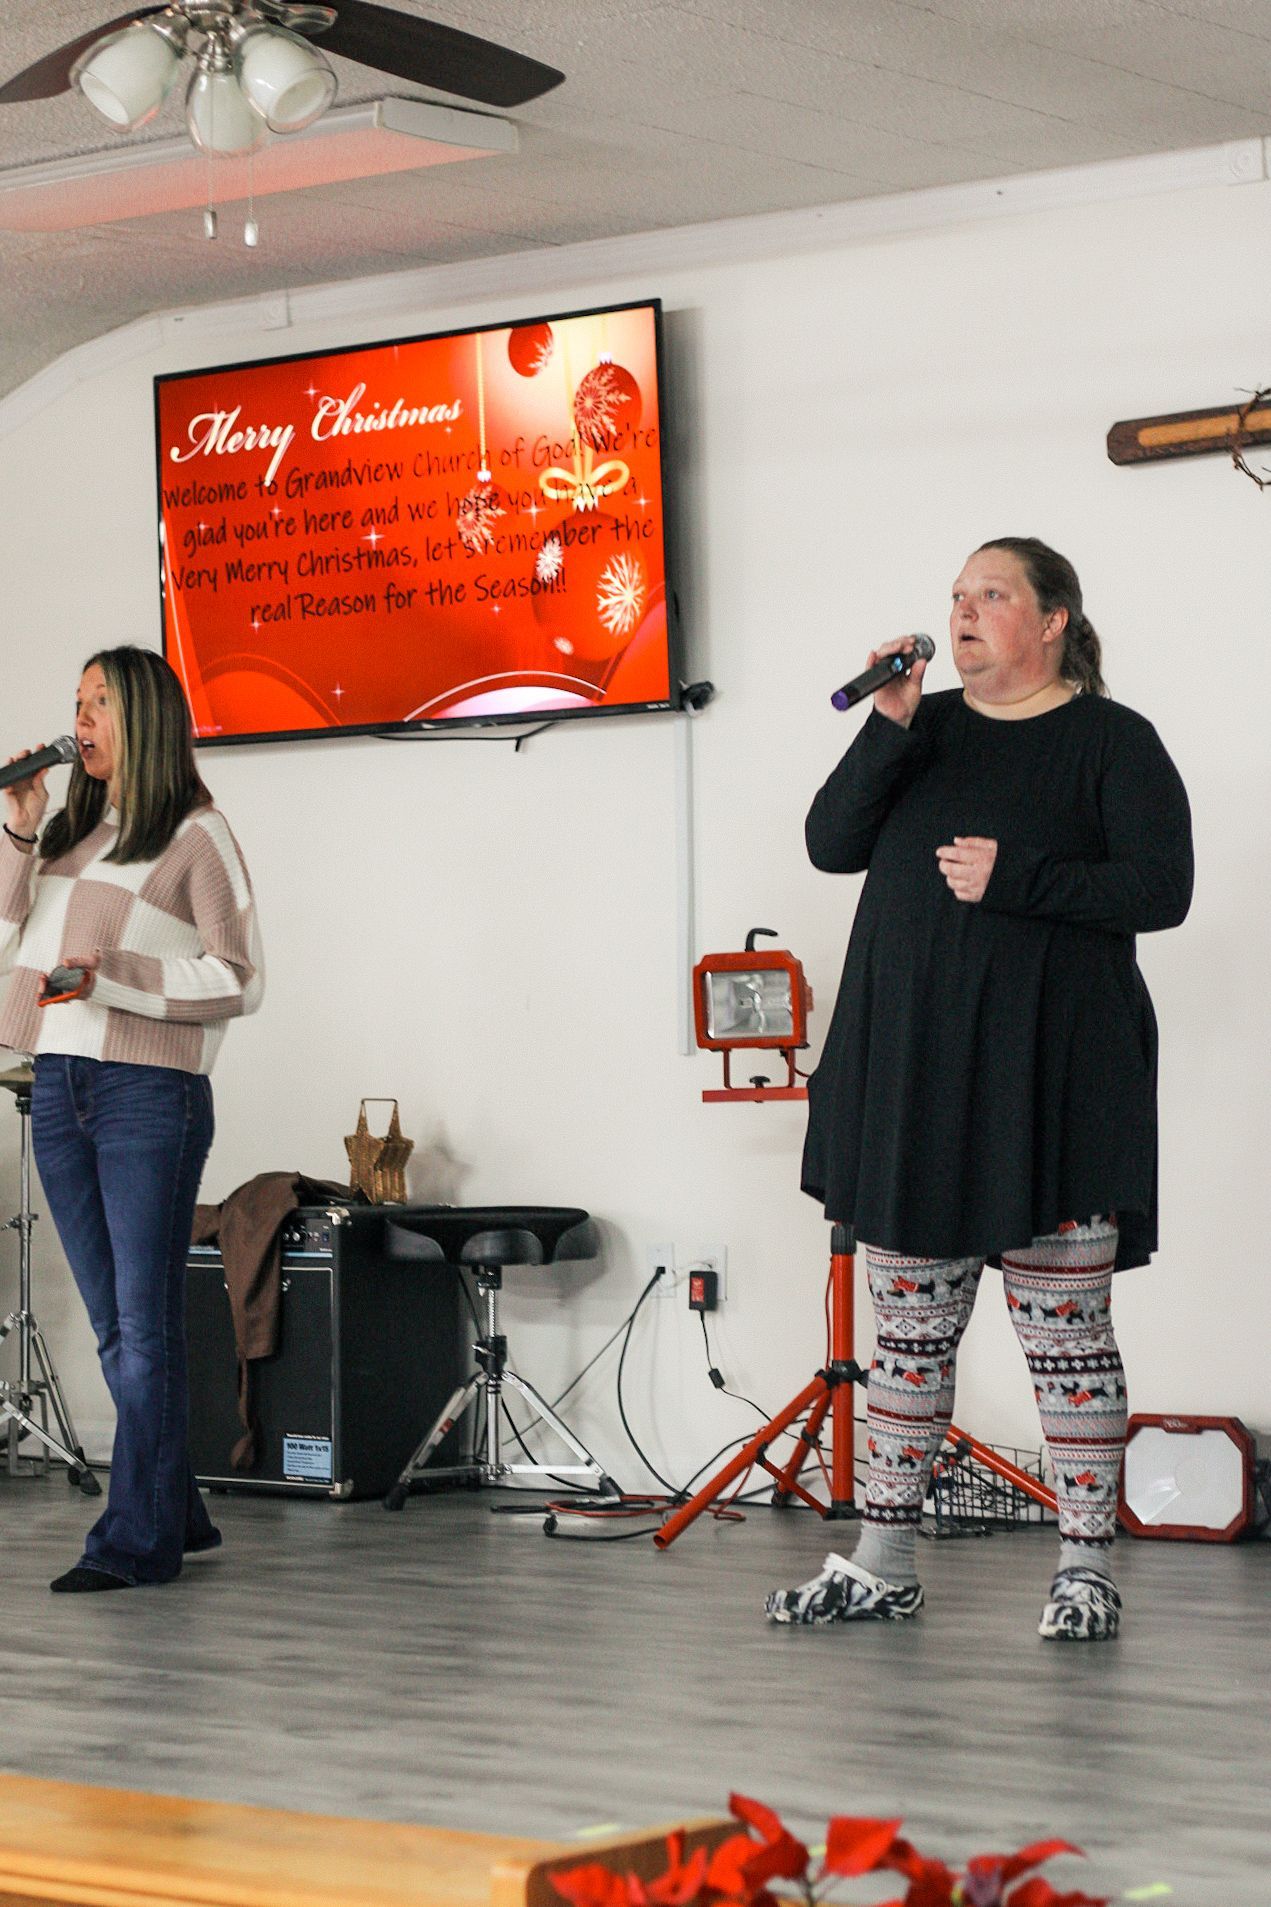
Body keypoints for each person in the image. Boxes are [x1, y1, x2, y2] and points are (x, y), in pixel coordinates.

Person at [766, 537, 1192, 1640]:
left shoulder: (1112, 740)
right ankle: (881, 1560)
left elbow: (1161, 888)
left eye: (990, 594)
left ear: (1050, 620)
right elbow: (827, 843)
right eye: (955, 595)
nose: (961, 611)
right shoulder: (923, 726)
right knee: (905, 1339)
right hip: (913, 1077)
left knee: (1065, 1335)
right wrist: (889, 719)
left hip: (1054, 1083)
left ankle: (1086, 1567)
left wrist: (1021, 878)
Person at [0, 646, 263, 1592]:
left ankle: (135, 1540)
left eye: (100, 702)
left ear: (146, 716)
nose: (81, 719)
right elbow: (9, 955)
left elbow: (241, 977)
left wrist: (112, 974)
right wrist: (22, 834)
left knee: (141, 1328)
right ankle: (178, 1511)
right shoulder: (66, 834)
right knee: (119, 1327)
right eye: (76, 701)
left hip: (146, 1093)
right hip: (59, 1088)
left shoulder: (197, 834)